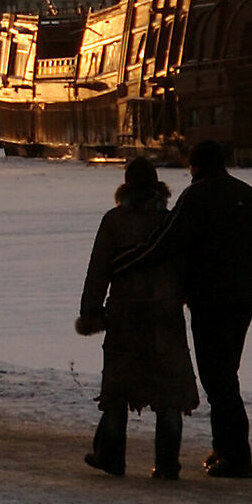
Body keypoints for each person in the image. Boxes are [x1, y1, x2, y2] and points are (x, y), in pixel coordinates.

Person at [113, 137, 252, 478]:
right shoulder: (250, 196)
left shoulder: (197, 196)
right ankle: (224, 448)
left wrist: (125, 264)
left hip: (210, 298)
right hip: (245, 298)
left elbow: (165, 242)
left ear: (195, 165)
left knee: (218, 378)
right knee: (225, 373)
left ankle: (236, 456)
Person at [76, 157, 200, 478]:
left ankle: (111, 458)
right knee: (169, 393)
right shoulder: (171, 222)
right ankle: (168, 465)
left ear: (126, 186)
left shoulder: (114, 221)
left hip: (125, 314)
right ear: (158, 186)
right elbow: (189, 269)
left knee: (118, 391)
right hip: (166, 315)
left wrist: (90, 312)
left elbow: (98, 270)